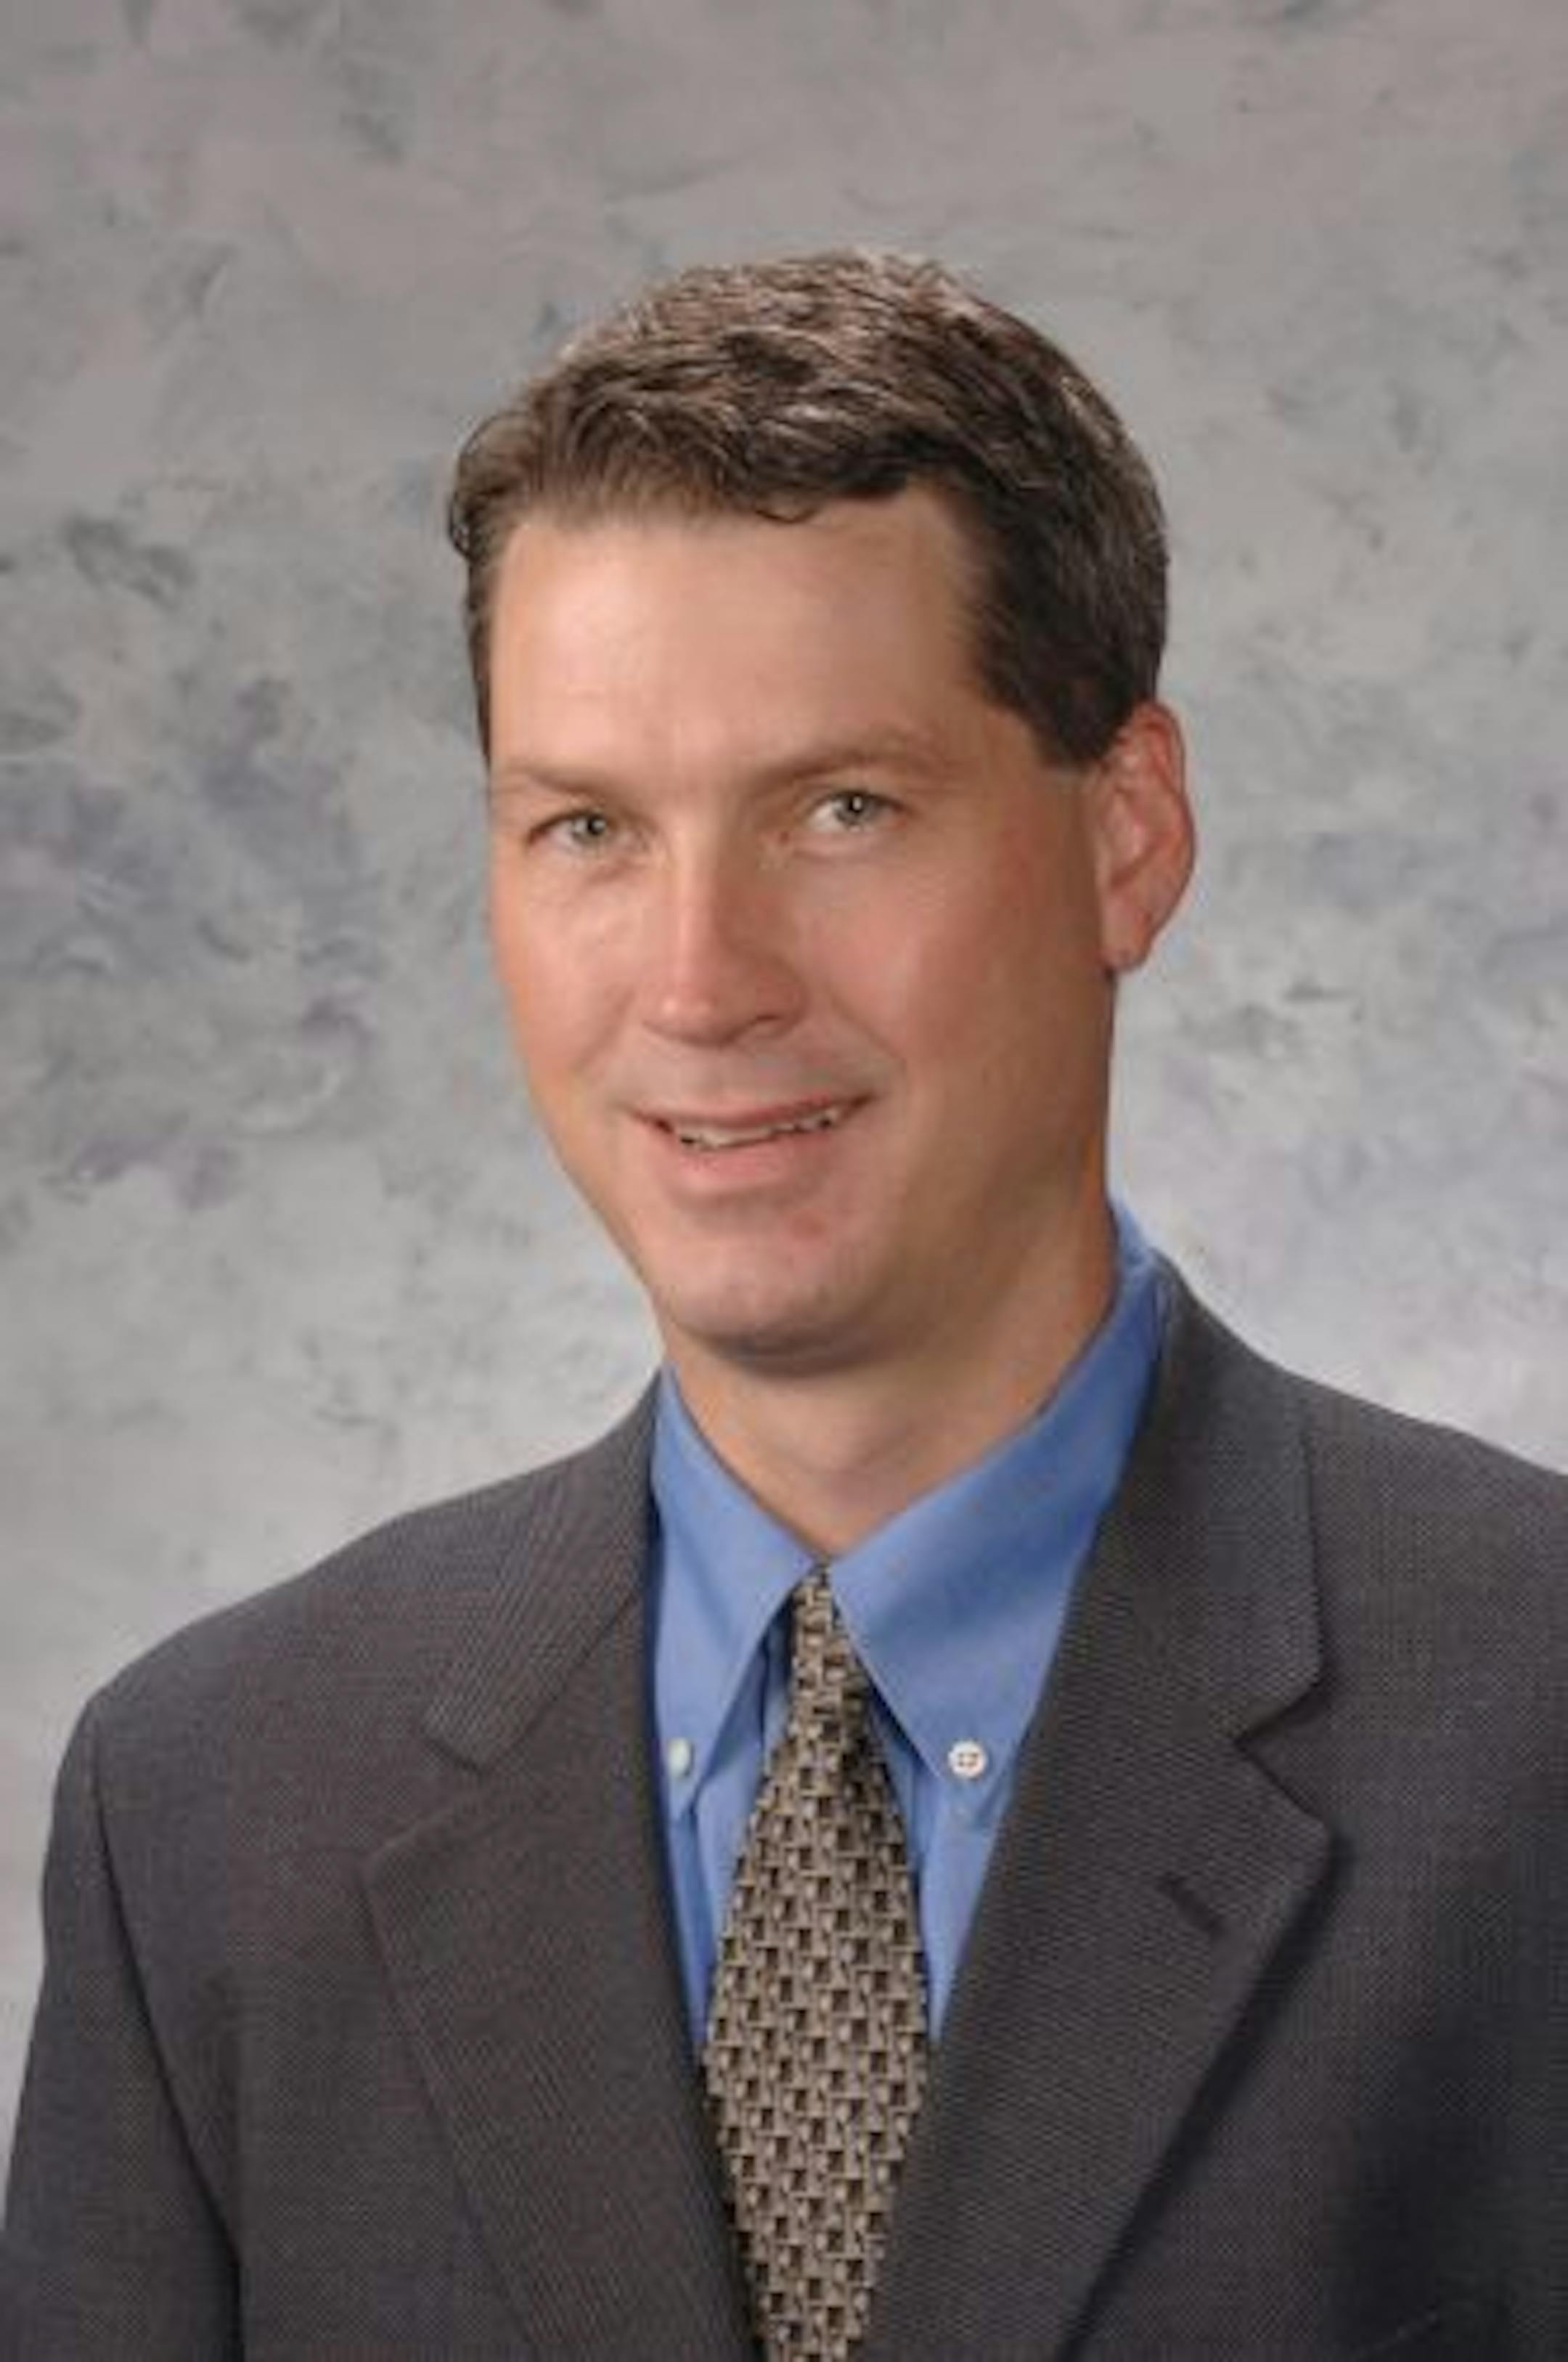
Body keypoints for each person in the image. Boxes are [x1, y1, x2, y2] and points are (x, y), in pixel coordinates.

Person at [3, 252, 1565, 2362]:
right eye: (586, 828)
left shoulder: (1531, 1735)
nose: (700, 982)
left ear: (1127, 835)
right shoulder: (209, 1810)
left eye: (841, 809)